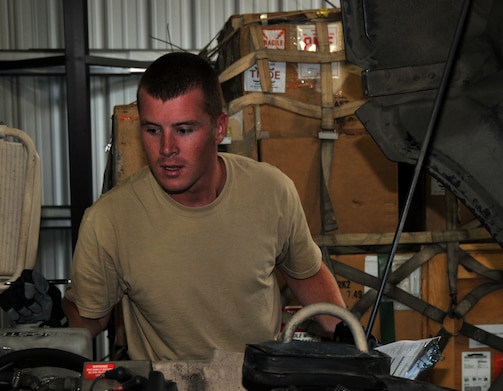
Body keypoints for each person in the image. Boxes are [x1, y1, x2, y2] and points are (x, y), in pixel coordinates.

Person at [62, 51, 345, 361]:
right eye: (152, 130)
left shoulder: (272, 192)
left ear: (219, 128)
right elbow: (88, 319)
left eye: (183, 130)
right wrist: (50, 313)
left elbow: (306, 273)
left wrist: (350, 337)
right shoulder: (109, 220)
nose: (166, 149)